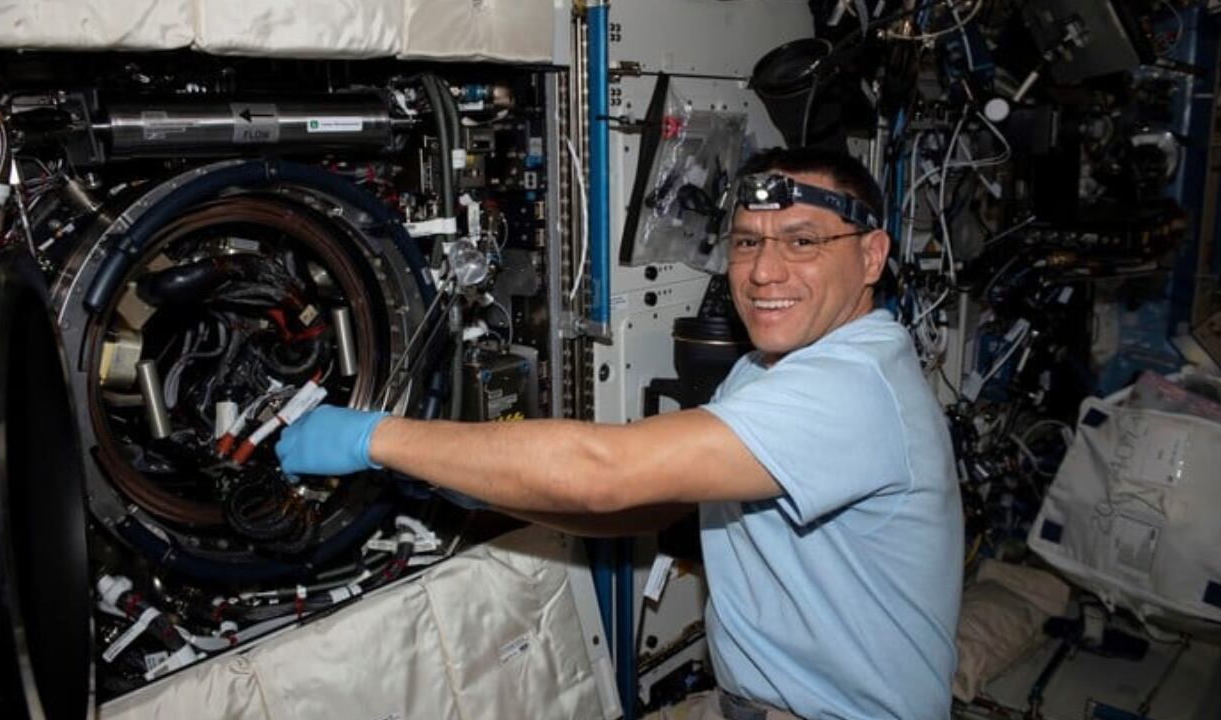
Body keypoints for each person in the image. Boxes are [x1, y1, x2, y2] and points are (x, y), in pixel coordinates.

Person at [277, 147, 963, 720]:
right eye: (748, 241)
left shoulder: (851, 388)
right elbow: (647, 507)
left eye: (803, 242)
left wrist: (377, 437)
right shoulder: (769, 369)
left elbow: (603, 472)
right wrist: (474, 491)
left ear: (872, 257)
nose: (763, 271)